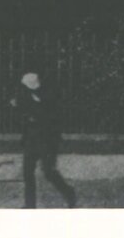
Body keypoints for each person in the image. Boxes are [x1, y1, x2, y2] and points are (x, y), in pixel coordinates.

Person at [14, 69, 77, 208]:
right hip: (33, 139)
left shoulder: (46, 98)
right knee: (28, 172)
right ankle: (30, 204)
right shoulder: (27, 98)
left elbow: (48, 117)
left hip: (46, 140)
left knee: (48, 172)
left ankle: (68, 192)